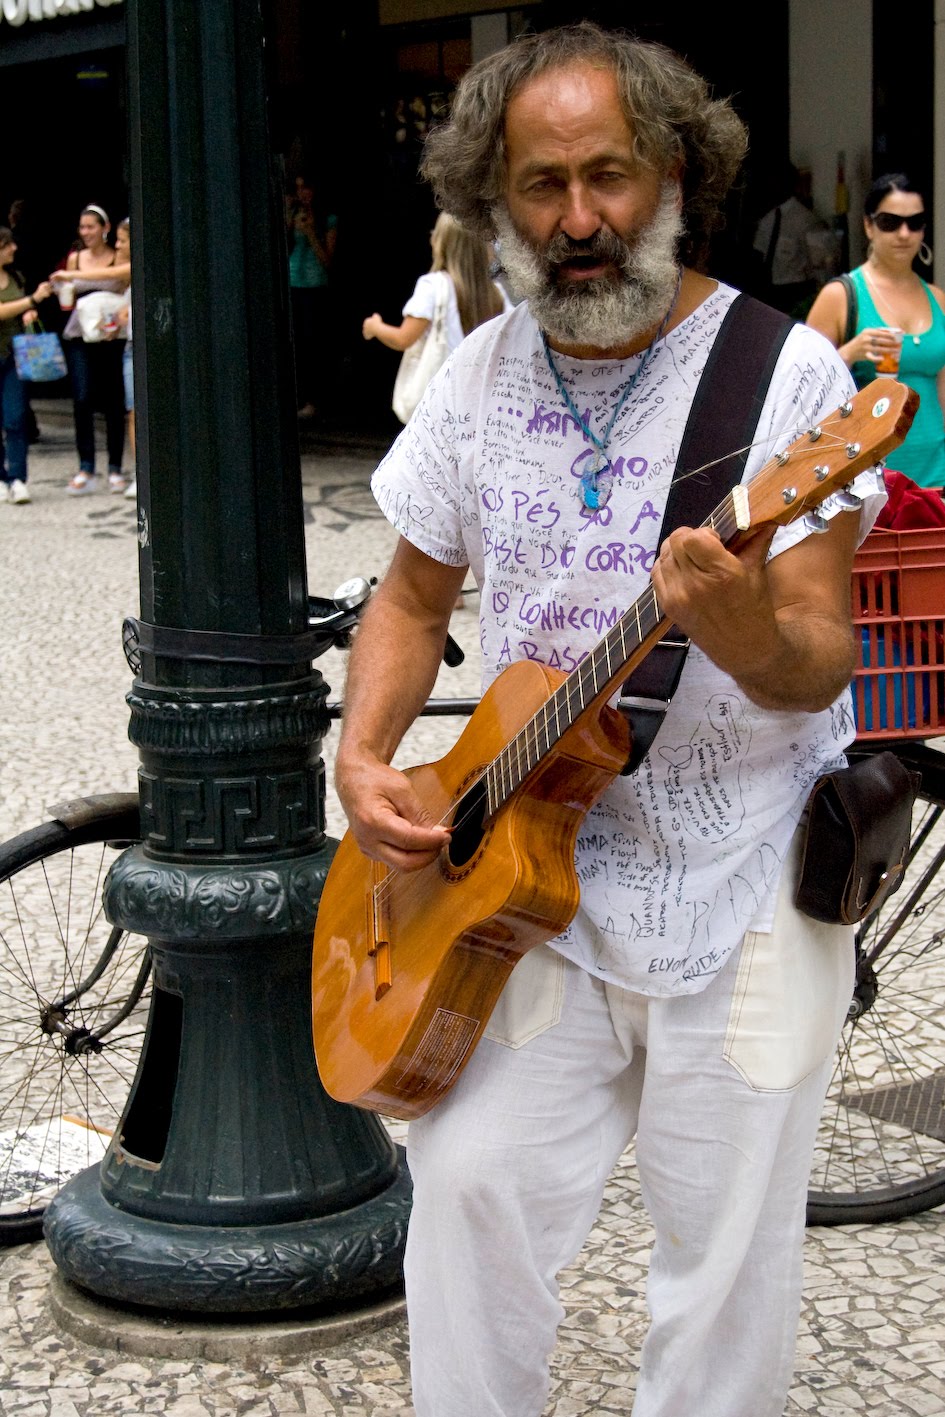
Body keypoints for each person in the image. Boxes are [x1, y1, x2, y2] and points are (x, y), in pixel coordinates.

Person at [329, 22, 887, 1417]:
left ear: (677, 175)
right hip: (529, 873)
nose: (579, 220)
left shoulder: (789, 385)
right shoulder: (476, 378)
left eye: (611, 177)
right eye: (540, 187)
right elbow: (409, 594)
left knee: (723, 1264)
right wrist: (360, 750)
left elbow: (818, 655)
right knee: (466, 1192)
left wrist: (736, 619)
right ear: (491, 201)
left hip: (747, 872)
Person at [806, 172, 945, 490]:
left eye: (915, 222)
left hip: (937, 470)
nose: (904, 233)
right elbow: (803, 384)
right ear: (868, 226)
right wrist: (851, 352)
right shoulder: (842, 295)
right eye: (889, 222)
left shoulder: (937, 298)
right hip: (870, 472)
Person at [49, 204, 131, 495]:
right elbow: (66, 297)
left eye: (91, 227)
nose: (85, 233)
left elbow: (125, 292)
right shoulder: (74, 260)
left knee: (113, 400)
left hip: (110, 337)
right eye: (82, 227)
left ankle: (115, 467)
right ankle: (86, 465)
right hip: (79, 335)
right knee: (82, 397)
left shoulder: (118, 258)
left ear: (104, 228)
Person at [361, 211, 511, 361]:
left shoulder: (433, 286)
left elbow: (403, 338)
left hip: (438, 381)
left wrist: (375, 327)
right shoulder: (497, 294)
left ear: (441, 244)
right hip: (473, 380)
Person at [0, 227, 53, 504]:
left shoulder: (16, 277)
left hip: (13, 356)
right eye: (8, 245)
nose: (14, 249)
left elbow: (17, 311)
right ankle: (1, 477)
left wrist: (28, 313)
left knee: (15, 416)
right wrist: (31, 300)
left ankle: (18, 478)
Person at [286, 175, 337, 420]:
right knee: (295, 343)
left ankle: (315, 400)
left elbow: (328, 260)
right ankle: (299, 398)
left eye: (305, 187)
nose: (302, 194)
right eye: (298, 189)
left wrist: (310, 232)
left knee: (313, 342)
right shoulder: (294, 213)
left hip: (315, 285)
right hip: (293, 281)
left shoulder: (328, 218)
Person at [750, 161, 824, 316]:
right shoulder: (768, 220)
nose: (772, 185)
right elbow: (759, 256)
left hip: (796, 290)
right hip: (771, 290)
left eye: (777, 180)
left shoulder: (805, 220)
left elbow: (818, 262)